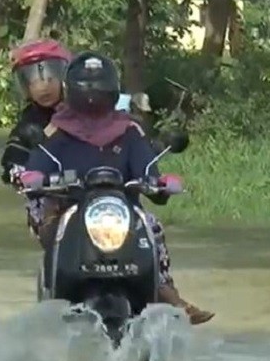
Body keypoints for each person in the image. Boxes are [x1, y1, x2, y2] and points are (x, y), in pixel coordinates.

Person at [18, 51, 214, 325]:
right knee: (53, 231)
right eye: (86, 89)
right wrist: (35, 177)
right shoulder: (58, 131)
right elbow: (39, 163)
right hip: (72, 210)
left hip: (123, 215)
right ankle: (53, 298)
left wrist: (160, 183)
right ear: (72, 90)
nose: (92, 96)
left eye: (99, 88)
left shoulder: (129, 130)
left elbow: (147, 169)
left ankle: (165, 289)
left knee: (152, 225)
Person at [0, 39, 72, 184]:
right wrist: (19, 173)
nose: (43, 87)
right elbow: (12, 163)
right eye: (34, 81)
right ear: (26, 87)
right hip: (50, 197)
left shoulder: (84, 113)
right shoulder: (27, 126)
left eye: (49, 78)